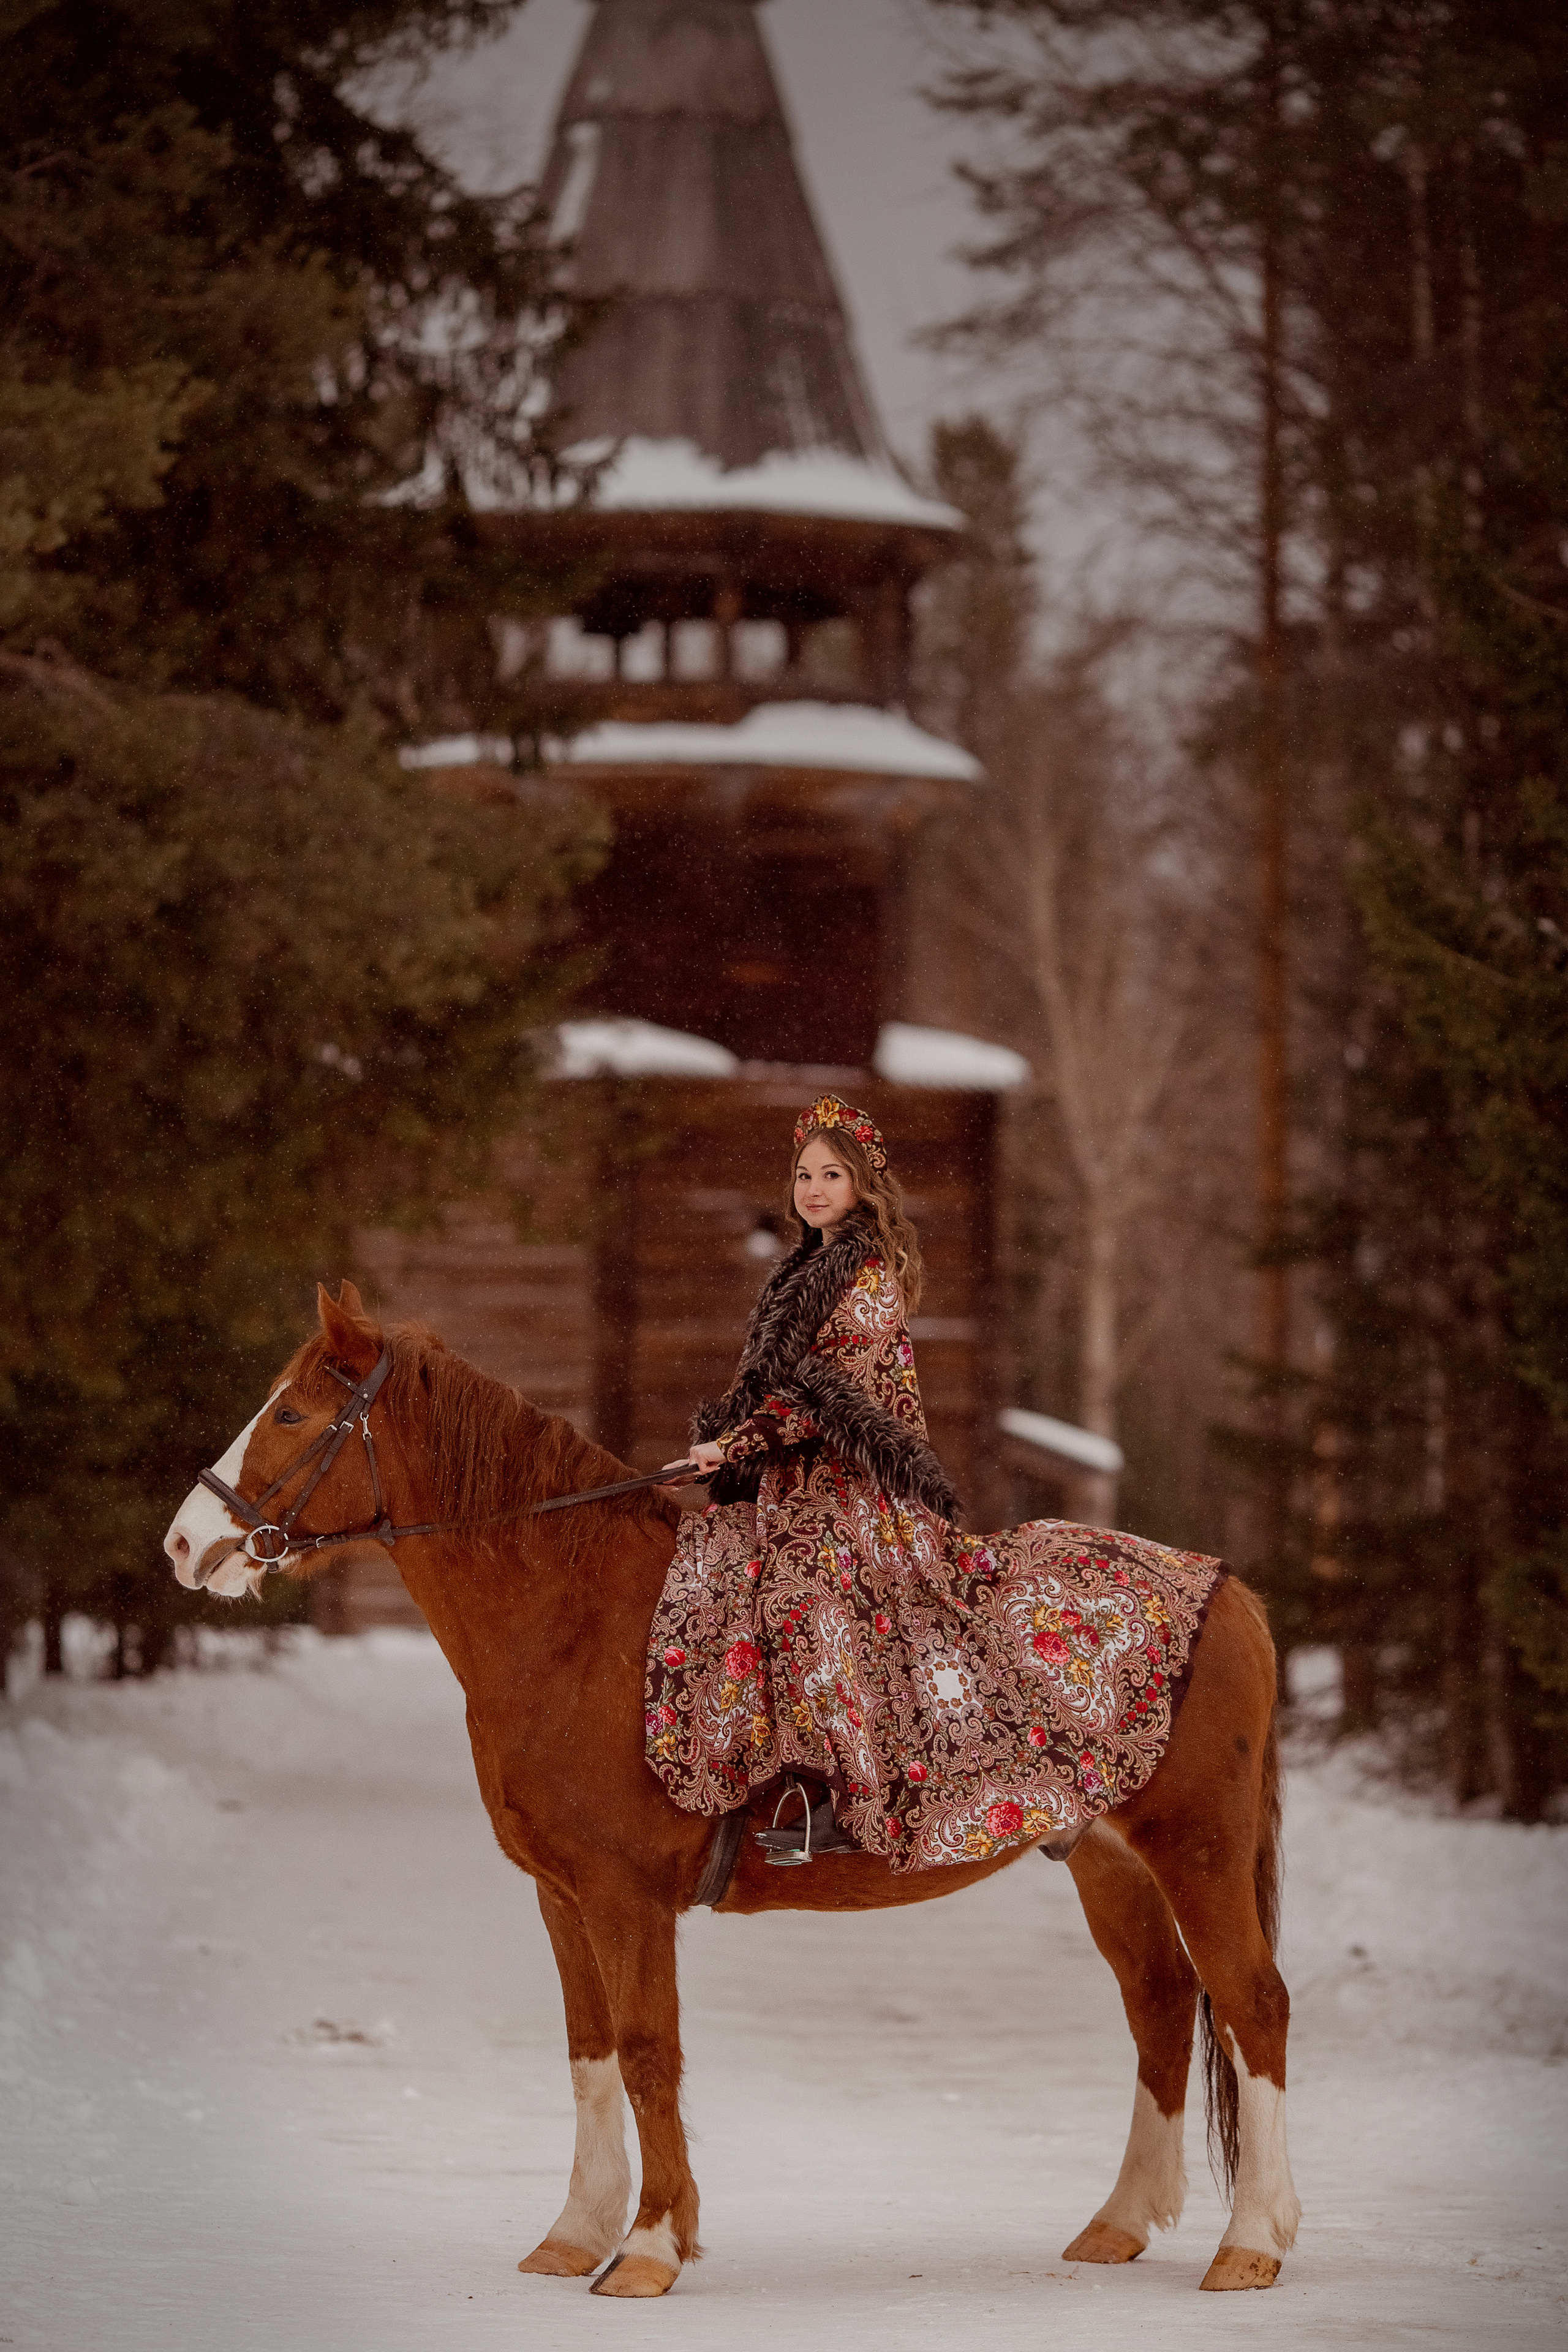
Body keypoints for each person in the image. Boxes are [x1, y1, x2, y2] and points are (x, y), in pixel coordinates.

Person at [645, 1093, 1220, 1872]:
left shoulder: (868, 1275)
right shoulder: (798, 1271)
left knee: (805, 1589)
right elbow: (772, 1385)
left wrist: (738, 1442)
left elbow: (827, 1391)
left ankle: (841, 1792)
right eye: (804, 1174)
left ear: (863, 1188)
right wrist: (725, 1443)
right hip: (792, 1480)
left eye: (832, 1175)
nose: (813, 1189)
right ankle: (742, 1756)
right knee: (716, 1567)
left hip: (859, 1489)